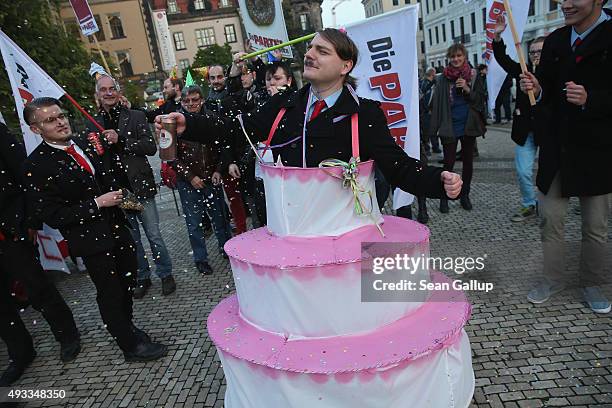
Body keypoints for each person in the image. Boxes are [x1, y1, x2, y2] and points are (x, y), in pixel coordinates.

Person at [155, 29, 462, 204]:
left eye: (323, 51)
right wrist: (189, 124)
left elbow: (398, 168)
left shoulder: (365, 113)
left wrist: (438, 180)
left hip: (346, 230)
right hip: (296, 228)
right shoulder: (285, 104)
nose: (310, 54)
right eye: (311, 48)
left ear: (346, 66)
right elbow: (237, 130)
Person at [22, 97, 168, 361]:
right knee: (110, 292)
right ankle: (129, 346)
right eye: (50, 120)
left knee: (127, 282)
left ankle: (128, 327)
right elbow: (52, 216)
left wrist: (133, 205)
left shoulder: (81, 143)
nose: (60, 122)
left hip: (117, 228)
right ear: (36, 129)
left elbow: (107, 177)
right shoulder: (36, 165)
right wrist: (95, 204)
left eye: (61, 116)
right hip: (91, 241)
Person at [519, 0, 611, 313]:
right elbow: (545, 95)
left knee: (595, 226)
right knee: (550, 218)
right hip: (557, 150)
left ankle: (593, 281)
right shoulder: (556, 40)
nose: (565, 4)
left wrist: (590, 100)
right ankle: (553, 276)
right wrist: (538, 89)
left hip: (598, 152)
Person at [0, 123, 81, 386]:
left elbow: (25, 178)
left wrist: (28, 223)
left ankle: (67, 334)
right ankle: (20, 352)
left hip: (9, 232)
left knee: (37, 288)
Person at [90, 74, 175, 299]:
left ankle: (166, 274)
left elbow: (150, 147)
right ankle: (142, 277)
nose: (108, 93)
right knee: (133, 240)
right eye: (103, 90)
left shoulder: (135, 116)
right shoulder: (93, 123)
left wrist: (122, 140)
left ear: (117, 92)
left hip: (140, 187)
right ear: (97, 94)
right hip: (118, 192)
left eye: (112, 89)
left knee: (154, 235)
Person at [175, 85, 232, 274]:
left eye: (195, 100)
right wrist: (191, 177)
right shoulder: (174, 122)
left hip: (211, 178)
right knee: (194, 223)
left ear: (202, 100)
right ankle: (200, 259)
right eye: (186, 101)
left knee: (220, 218)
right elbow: (170, 156)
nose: (191, 104)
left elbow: (223, 146)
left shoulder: (213, 119)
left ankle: (226, 249)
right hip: (188, 182)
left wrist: (219, 170)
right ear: (181, 102)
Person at [494, 17, 545, 223]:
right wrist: (497, 36)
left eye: (539, 51)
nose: (534, 55)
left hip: (548, 130)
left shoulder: (554, 72)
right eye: (532, 51)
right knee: (523, 171)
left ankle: (547, 205)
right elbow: (503, 59)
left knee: (550, 173)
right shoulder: (523, 70)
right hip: (525, 132)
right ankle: (529, 205)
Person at [429, 43, 487, 213]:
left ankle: (465, 194)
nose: (456, 59)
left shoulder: (473, 75)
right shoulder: (442, 79)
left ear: (465, 57)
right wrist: (433, 128)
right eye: (453, 56)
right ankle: (444, 197)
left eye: (459, 56)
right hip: (449, 125)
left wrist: (468, 89)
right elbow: (436, 104)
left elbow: (480, 100)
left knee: (468, 161)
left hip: (468, 125)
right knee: (448, 163)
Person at [205, 64, 248, 235]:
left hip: (242, 155)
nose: (216, 81)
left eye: (219, 77)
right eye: (213, 78)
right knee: (234, 200)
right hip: (222, 159)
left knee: (251, 198)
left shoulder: (234, 96)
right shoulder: (207, 104)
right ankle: (242, 233)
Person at [419, 67, 440, 154]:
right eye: (435, 74)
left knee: (433, 129)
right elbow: (422, 97)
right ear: (432, 74)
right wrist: (427, 109)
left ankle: (435, 147)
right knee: (426, 131)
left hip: (431, 111)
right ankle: (427, 148)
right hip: (425, 112)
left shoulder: (432, 84)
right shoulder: (424, 83)